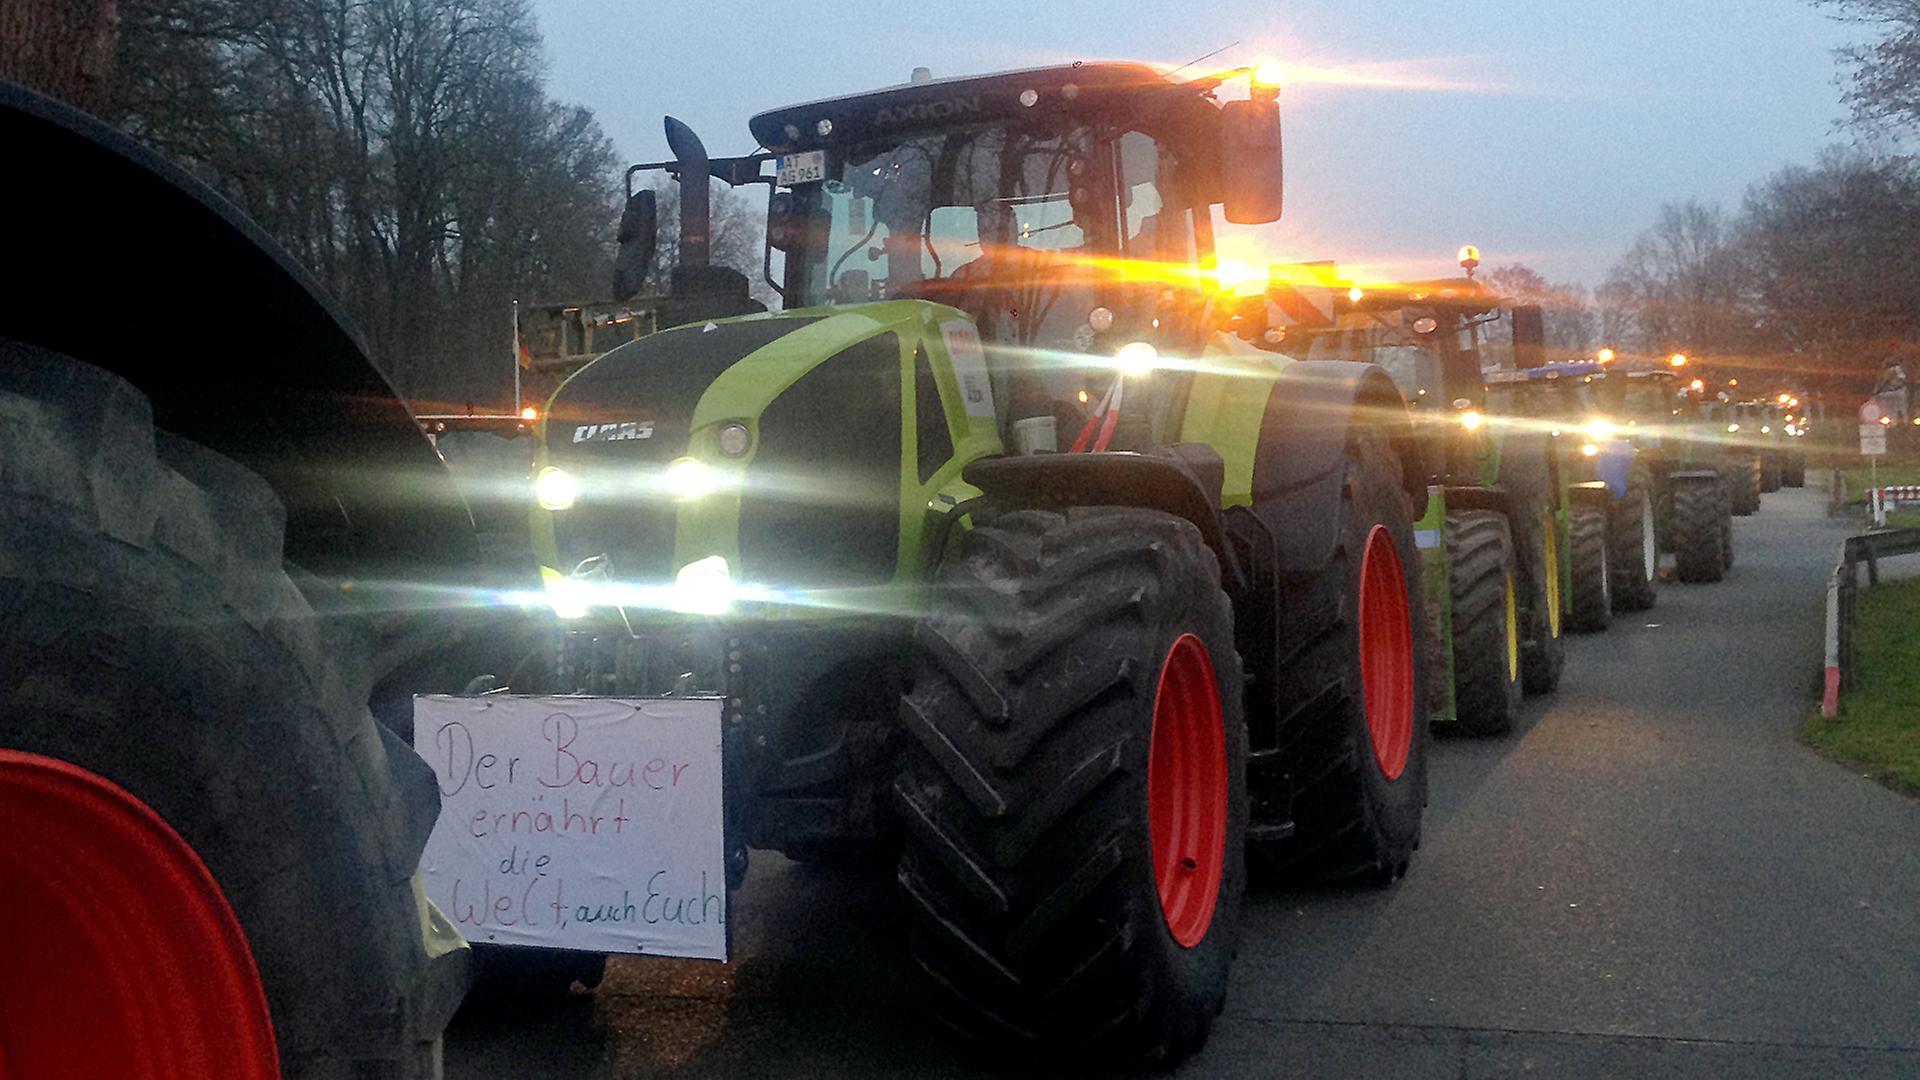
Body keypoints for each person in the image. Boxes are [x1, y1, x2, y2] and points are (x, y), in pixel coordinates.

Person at [1874, 356, 1910, 424]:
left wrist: (1877, 391)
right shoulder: (1900, 370)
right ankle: (1902, 422)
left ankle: (1891, 422)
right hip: (1901, 392)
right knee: (1900, 408)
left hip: (1892, 392)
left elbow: (1885, 381)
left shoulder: (1891, 370)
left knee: (1888, 408)